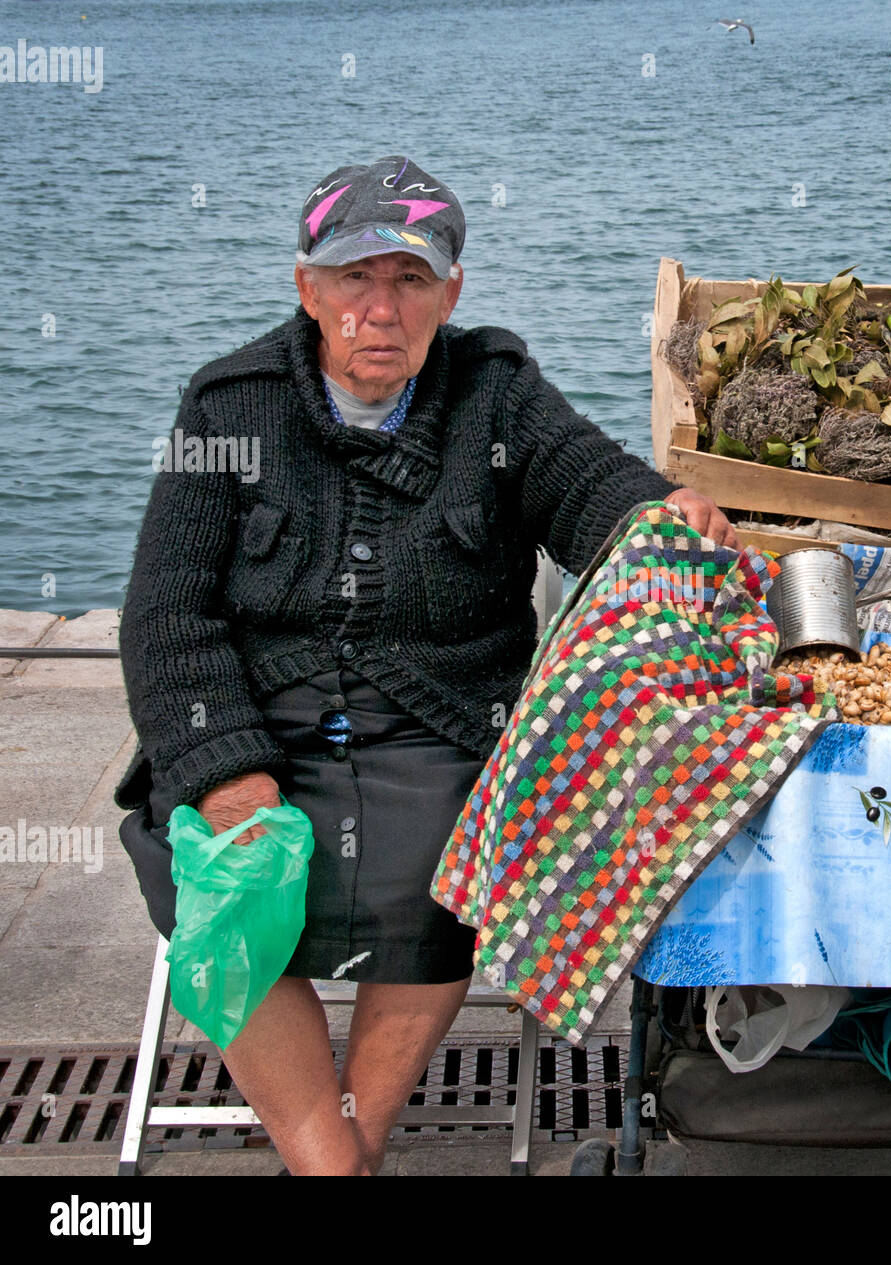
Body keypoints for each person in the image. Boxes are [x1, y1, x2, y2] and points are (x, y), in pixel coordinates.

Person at [114, 155, 738, 1175]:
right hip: (258, 721)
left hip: (442, 726)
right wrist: (228, 770)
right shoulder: (227, 406)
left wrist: (653, 513)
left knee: (452, 870)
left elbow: (588, 480)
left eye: (410, 280)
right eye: (353, 278)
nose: (381, 308)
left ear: (450, 292)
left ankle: (335, 1154)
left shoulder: (493, 390)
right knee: (220, 875)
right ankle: (334, 1156)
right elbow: (165, 615)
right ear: (307, 287)